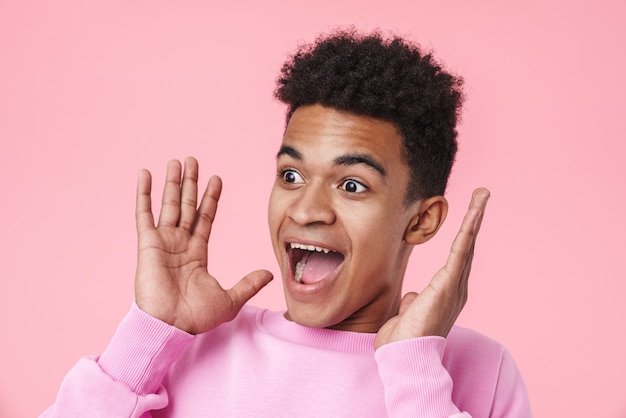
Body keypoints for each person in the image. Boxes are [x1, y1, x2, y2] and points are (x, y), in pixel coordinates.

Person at [42, 30, 532, 417]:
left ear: (421, 220)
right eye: (292, 175)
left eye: (352, 185)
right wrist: (146, 339)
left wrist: (413, 369)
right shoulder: (186, 349)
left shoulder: (480, 370)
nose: (305, 210)